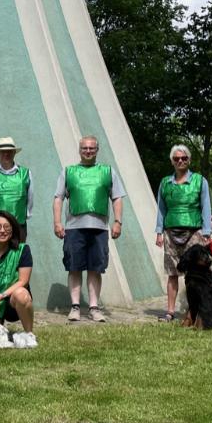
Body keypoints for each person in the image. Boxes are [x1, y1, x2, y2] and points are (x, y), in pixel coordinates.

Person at [52, 135, 126, 322]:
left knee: (96, 268)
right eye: (84, 148)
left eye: (91, 148)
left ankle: (94, 307)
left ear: (97, 150)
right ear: (79, 150)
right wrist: (57, 222)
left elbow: (117, 197)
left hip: (99, 228)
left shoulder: (108, 171)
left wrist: (117, 222)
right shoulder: (68, 172)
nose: (88, 151)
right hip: (74, 228)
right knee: (74, 267)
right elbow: (58, 198)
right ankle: (75, 307)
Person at [154, 144, 212, 322]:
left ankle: (194, 311)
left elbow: (206, 206)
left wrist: (207, 231)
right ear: (172, 161)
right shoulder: (165, 183)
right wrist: (159, 231)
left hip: (194, 233)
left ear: (189, 160)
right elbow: (161, 209)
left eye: (184, 158)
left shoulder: (200, 181)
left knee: (195, 274)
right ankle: (170, 312)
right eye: (177, 158)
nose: (180, 161)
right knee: (172, 273)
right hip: (171, 233)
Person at [0, 137, 33, 240]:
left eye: (9, 151)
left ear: (14, 153)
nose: (6, 154)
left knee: (18, 255)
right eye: (3, 152)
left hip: (18, 227)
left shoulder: (26, 174)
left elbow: (30, 199)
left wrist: (23, 215)